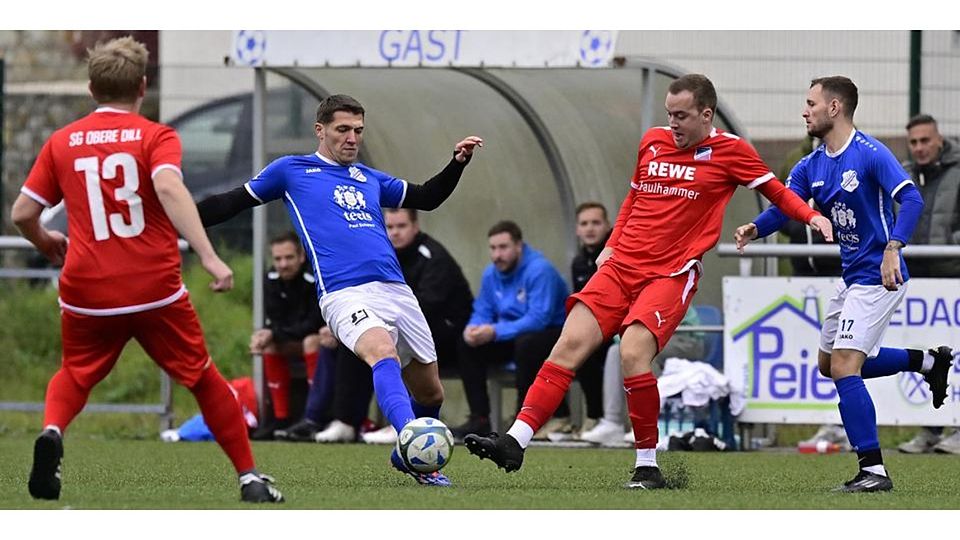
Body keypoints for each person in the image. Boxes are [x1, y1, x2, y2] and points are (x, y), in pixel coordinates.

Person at [463, 73, 834, 490]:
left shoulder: (731, 152)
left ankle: (646, 464)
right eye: (669, 115)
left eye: (682, 116)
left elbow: (779, 194)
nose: (672, 123)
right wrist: (611, 245)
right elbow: (635, 197)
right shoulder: (652, 141)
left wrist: (813, 217)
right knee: (567, 345)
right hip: (621, 266)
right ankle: (516, 440)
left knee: (633, 353)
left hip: (671, 272)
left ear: (706, 114)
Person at [11, 36, 283, 503]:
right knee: (200, 375)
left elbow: (21, 213)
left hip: (86, 288)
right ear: (142, 85)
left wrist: (45, 240)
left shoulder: (62, 142)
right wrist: (210, 255)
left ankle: (53, 431)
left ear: (92, 89)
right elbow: (169, 188)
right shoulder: (155, 136)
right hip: (152, 288)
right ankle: (249, 478)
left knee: (75, 371)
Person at [196, 93, 482, 486]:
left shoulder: (369, 177)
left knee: (431, 394)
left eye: (358, 131)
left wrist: (457, 163)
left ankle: (405, 453)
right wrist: (179, 217)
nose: (352, 138)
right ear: (321, 130)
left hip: (396, 290)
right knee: (381, 352)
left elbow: (427, 197)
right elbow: (230, 202)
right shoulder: (292, 170)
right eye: (343, 129)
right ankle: (422, 459)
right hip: (345, 292)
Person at [735, 76, 953, 492]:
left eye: (810, 103)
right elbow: (787, 206)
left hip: (879, 276)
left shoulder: (870, 154)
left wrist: (894, 247)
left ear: (834, 108)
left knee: (844, 366)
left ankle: (873, 470)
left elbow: (912, 199)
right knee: (827, 366)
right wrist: (754, 229)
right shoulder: (812, 164)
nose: (804, 110)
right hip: (852, 278)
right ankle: (927, 362)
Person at [358, 207, 475, 444]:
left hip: (446, 332)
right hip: (407, 326)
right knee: (357, 340)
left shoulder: (432, 255)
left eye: (401, 226)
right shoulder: (383, 255)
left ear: (415, 226)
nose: (395, 233)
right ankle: (347, 420)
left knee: (393, 342)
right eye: (389, 227)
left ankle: (403, 423)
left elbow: (427, 307)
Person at [451, 220, 569, 441]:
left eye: (503, 247)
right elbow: (483, 309)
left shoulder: (539, 270)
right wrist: (473, 329)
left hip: (552, 334)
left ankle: (523, 420)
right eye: (493, 248)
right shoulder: (490, 274)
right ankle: (480, 419)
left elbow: (538, 319)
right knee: (467, 345)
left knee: (527, 344)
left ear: (519, 246)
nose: (497, 255)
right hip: (513, 334)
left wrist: (494, 332)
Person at [896, 114, 960, 455]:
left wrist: (949, 241)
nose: (919, 148)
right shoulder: (905, 175)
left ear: (939, 140)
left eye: (925, 140)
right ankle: (931, 429)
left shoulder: (957, 171)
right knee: (932, 356)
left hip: (954, 276)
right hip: (918, 280)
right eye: (914, 142)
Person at [249, 231, 338, 441]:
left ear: (301, 257)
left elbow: (313, 323)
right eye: (278, 259)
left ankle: (315, 416)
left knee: (311, 341)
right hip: (290, 339)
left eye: (289, 258)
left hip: (318, 340)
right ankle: (280, 420)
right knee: (269, 345)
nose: (283, 264)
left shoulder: (313, 278)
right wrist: (267, 335)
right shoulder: (271, 279)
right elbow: (276, 320)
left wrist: (274, 332)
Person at [564, 202, 612, 442]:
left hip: (619, 325)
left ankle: (606, 419)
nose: (590, 228)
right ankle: (589, 417)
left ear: (608, 226)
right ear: (577, 230)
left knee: (591, 350)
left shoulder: (617, 252)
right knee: (574, 347)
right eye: (584, 223)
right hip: (597, 326)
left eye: (596, 223)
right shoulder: (579, 262)